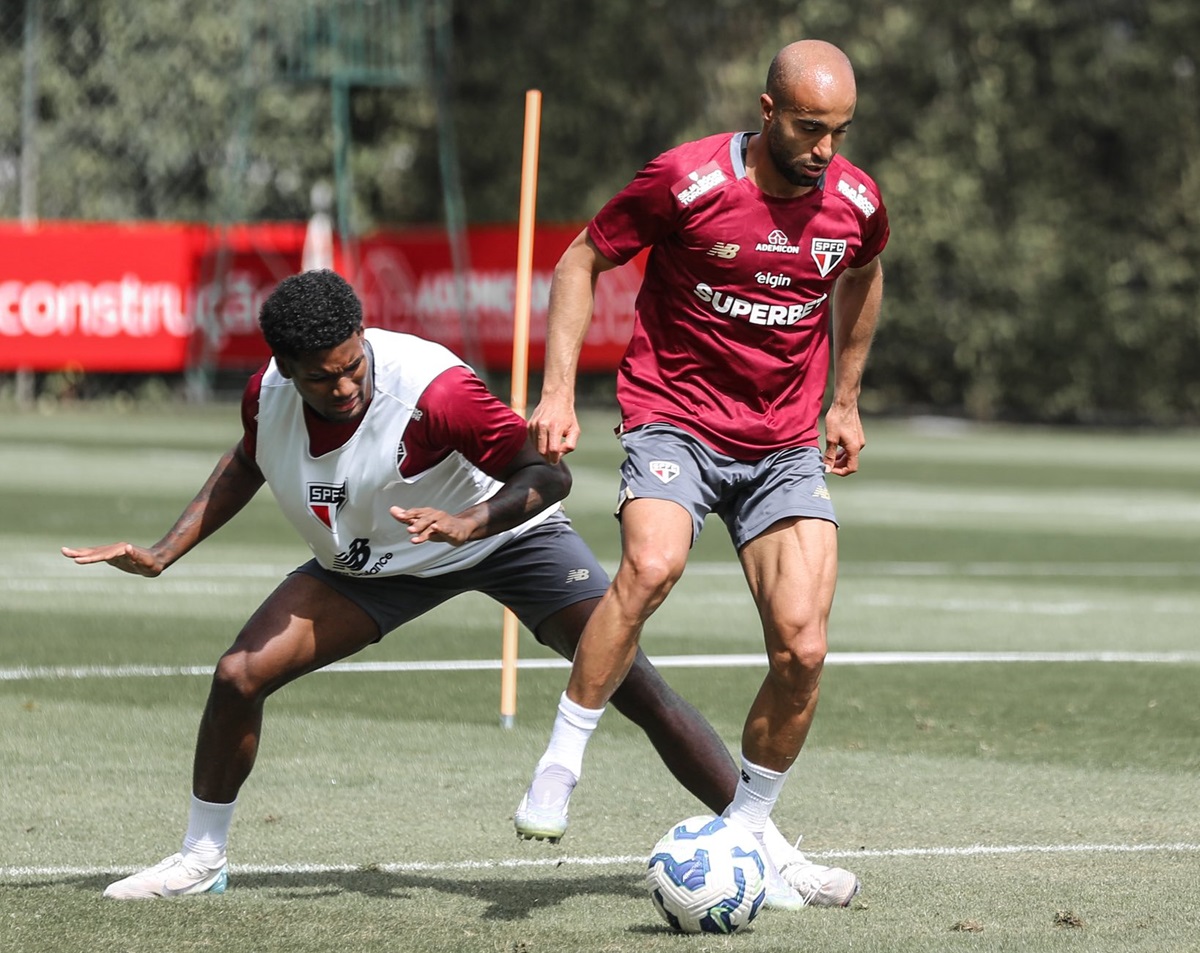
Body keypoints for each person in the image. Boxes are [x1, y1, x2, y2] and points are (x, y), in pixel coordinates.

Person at [63, 268, 820, 905]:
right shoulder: (266, 395)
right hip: (375, 565)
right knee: (238, 674)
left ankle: (764, 848)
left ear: (363, 336)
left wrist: (470, 523)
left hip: (508, 539)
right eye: (322, 377)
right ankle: (202, 858)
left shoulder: (435, 391)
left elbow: (548, 475)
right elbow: (248, 459)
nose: (345, 385)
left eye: (353, 365)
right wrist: (165, 551)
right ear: (286, 369)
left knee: (636, 684)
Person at [515, 39, 888, 909]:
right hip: (673, 417)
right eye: (809, 128)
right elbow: (580, 260)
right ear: (768, 112)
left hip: (783, 442)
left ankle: (749, 830)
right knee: (652, 565)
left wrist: (845, 399)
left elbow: (864, 274)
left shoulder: (857, 201)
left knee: (803, 647)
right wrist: (557, 392)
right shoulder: (687, 180)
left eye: (839, 131)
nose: (825, 149)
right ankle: (562, 759)